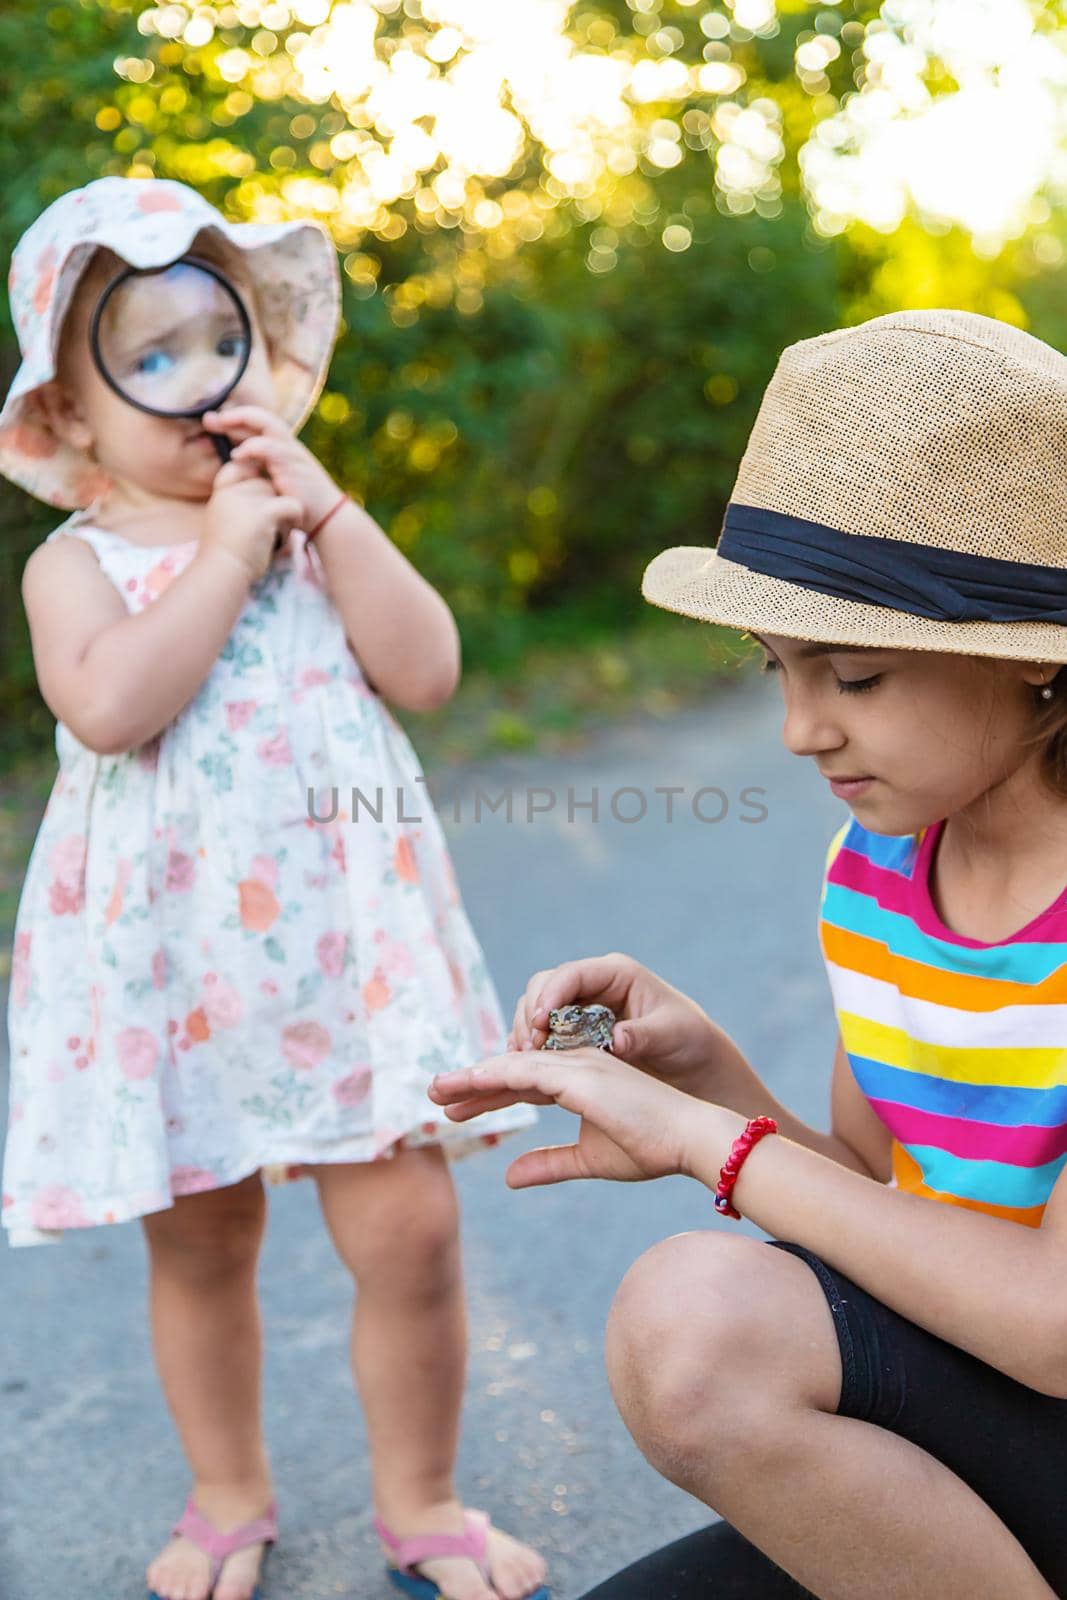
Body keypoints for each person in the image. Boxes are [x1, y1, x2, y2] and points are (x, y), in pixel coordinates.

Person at [428, 310, 1067, 1600]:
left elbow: (1054, 1327)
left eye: (855, 676)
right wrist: (713, 1089)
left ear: (1033, 661)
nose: (796, 728)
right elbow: (893, 1210)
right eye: (776, 668)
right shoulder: (879, 875)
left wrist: (714, 1153)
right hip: (970, 1429)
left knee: (697, 1323)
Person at [0, 176, 550, 1600]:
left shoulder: (307, 528)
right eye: (147, 356)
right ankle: (227, 1495)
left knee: (413, 1228)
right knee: (202, 1241)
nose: (194, 387)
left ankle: (423, 1499)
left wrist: (331, 517)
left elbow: (426, 672)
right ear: (67, 418)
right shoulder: (79, 566)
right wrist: (228, 557)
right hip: (171, 969)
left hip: (344, 961)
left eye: (215, 340)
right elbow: (114, 707)